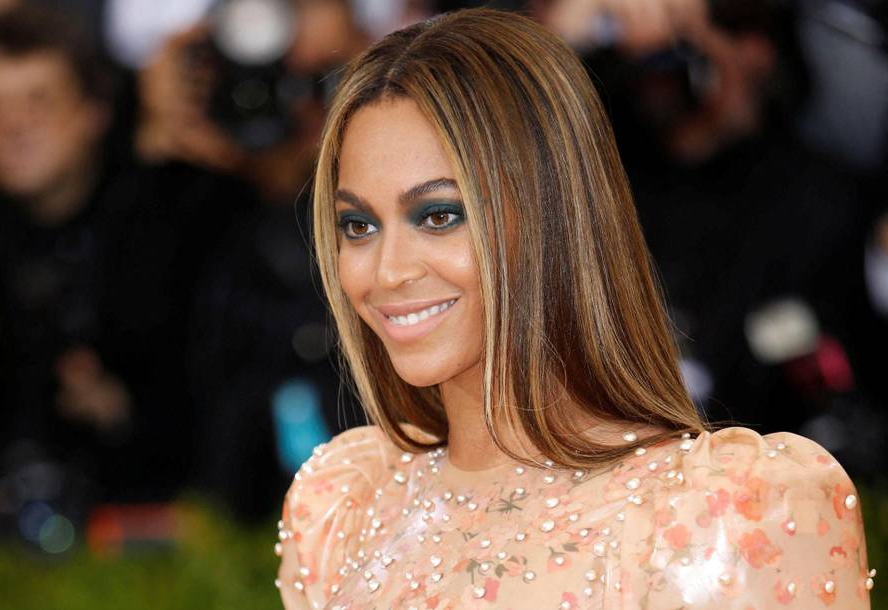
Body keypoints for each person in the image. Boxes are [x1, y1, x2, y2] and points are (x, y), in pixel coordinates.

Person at [276, 8, 873, 609]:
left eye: (439, 216)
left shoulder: (725, 515)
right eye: (358, 225)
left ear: (550, 217)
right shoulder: (346, 504)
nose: (387, 271)